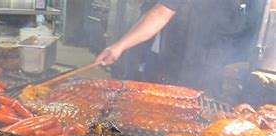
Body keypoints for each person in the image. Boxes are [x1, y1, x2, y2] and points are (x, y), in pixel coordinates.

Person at [97, 0, 264, 96]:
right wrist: (119, 46)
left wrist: (243, 65)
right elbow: (161, 13)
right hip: (181, 63)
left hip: (223, 71)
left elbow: (258, 28)